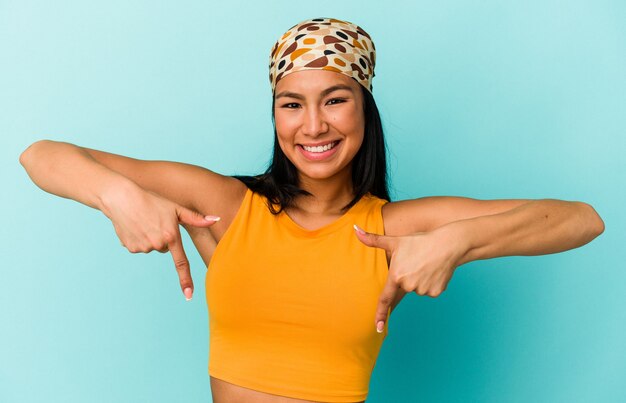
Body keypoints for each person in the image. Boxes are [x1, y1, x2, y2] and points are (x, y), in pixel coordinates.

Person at [19, 17, 604, 403]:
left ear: (364, 109)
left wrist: (457, 241)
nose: (313, 125)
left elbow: (583, 219)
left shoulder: (395, 228)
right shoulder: (228, 206)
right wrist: (118, 195)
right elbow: (41, 155)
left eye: (335, 100)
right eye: (291, 104)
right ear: (275, 115)